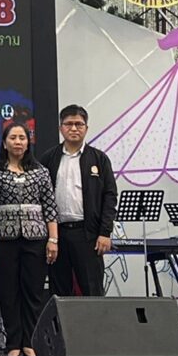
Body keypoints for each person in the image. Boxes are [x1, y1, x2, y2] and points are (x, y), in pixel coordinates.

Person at [0, 122, 58, 356]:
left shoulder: (41, 172)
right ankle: (13, 343)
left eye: (22, 138)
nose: (18, 142)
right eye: (13, 138)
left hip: (35, 238)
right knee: (8, 292)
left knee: (33, 292)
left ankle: (31, 342)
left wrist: (53, 239)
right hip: (3, 240)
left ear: (28, 143)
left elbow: (50, 207)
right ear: (4, 143)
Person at [39, 105, 118, 297]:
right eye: (68, 124)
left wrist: (105, 232)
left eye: (79, 124)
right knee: (59, 293)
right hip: (57, 235)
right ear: (61, 128)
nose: (74, 128)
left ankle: (95, 319)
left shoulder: (99, 159)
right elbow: (40, 196)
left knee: (93, 290)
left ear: (86, 128)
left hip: (88, 234)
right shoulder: (49, 158)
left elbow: (110, 196)